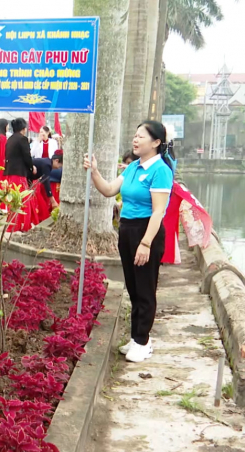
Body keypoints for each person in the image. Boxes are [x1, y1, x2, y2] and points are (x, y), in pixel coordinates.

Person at [84, 121, 173, 363]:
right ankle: (136, 338)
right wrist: (94, 171)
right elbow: (109, 190)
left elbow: (158, 212)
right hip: (127, 230)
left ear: (156, 143)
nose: (135, 140)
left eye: (141, 136)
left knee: (145, 288)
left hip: (147, 232)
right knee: (133, 286)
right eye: (134, 135)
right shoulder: (133, 167)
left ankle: (143, 342)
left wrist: (145, 244)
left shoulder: (160, 170)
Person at [5, 117, 37, 232]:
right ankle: (24, 225)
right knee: (23, 199)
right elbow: (27, 156)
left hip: (10, 173)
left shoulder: (10, 139)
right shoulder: (22, 139)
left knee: (13, 200)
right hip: (19, 174)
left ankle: (13, 224)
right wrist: (31, 167)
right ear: (23, 129)